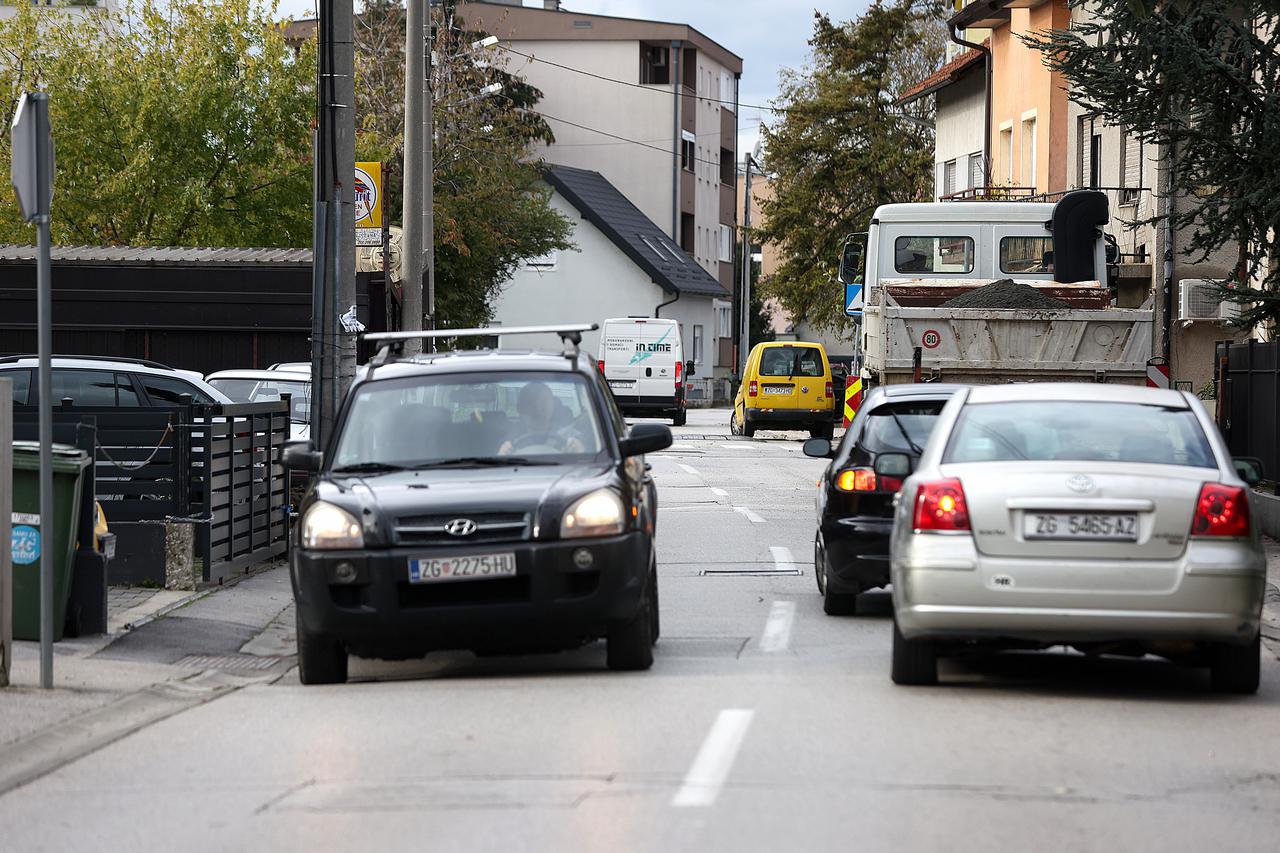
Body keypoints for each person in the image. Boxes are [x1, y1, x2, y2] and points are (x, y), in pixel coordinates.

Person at [498, 381, 585, 455]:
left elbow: (589, 465)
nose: (538, 408)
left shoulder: (569, 434)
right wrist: (502, 454)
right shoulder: (509, 437)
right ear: (520, 408)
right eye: (531, 402)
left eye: (544, 402)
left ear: (552, 406)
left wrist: (580, 450)